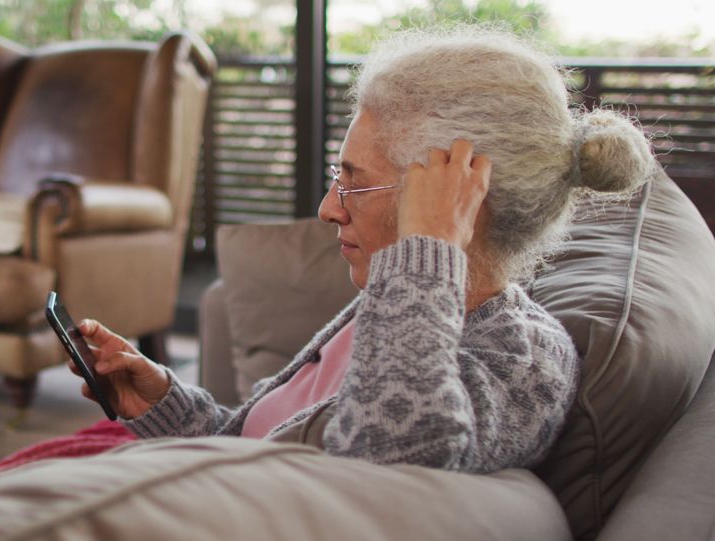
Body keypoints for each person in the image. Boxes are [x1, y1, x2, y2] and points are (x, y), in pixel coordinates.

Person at [73, 26, 654, 473]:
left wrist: (429, 248)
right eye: (337, 175)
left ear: (458, 200)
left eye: (356, 180)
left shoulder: (524, 357)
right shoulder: (394, 311)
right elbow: (259, 442)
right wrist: (161, 402)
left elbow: (384, 457)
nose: (330, 206)